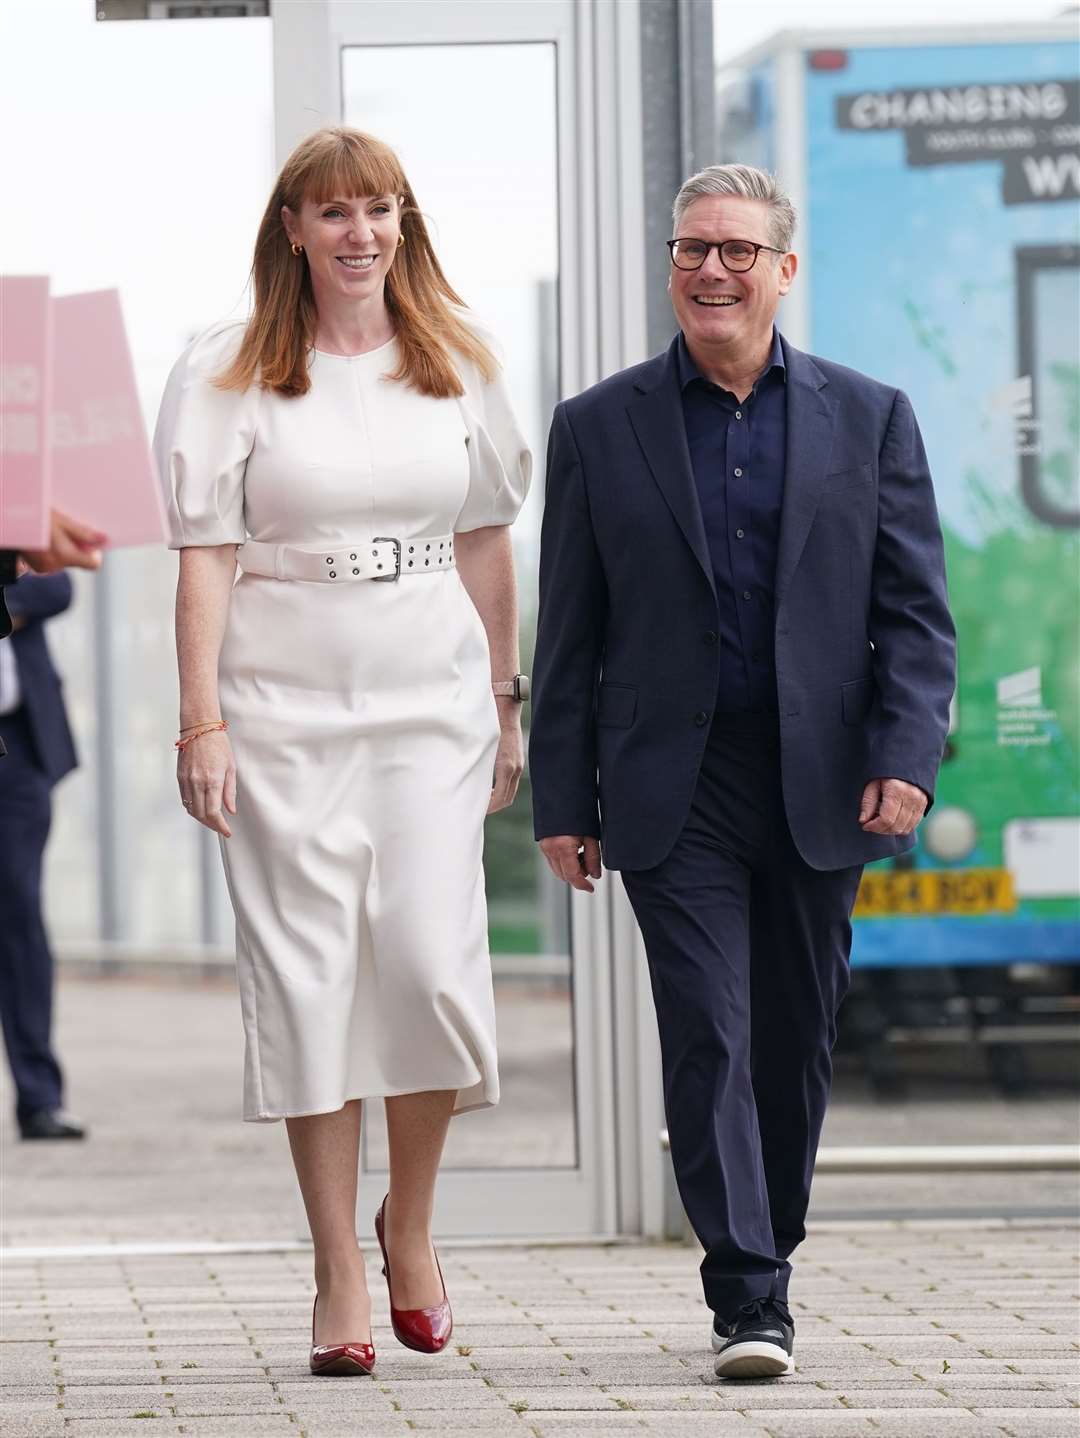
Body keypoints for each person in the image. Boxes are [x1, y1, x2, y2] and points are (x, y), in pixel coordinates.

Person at [529, 164, 955, 1379]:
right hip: (676, 781)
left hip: (821, 775)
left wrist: (904, 755)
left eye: (734, 250)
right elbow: (572, 630)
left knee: (794, 1038)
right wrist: (568, 798)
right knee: (708, 1027)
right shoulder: (597, 427)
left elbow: (916, 616)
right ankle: (749, 1295)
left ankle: (775, 1247)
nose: (709, 269)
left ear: (783, 268)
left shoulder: (869, 417)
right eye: (690, 249)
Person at [154, 126, 530, 1377]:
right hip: (282, 703)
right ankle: (336, 1269)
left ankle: (408, 1228)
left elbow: (485, 539)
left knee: (426, 964)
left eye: (379, 210)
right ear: (293, 232)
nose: (359, 233)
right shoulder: (228, 370)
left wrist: (505, 698)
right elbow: (203, 555)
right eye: (333, 213)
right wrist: (200, 719)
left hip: (430, 698)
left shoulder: (458, 359)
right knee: (310, 980)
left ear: (405, 224)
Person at [0, 571, 84, 1140]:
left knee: (20, 913)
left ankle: (39, 1098)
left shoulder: (15, 497)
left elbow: (57, 585)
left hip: (17, 750)